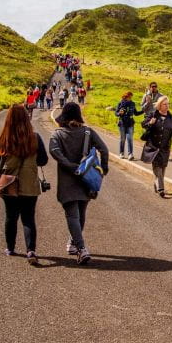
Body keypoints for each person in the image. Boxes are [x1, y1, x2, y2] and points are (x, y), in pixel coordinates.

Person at [49, 102, 109, 264]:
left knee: (72, 215)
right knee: (81, 214)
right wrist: (103, 169)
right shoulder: (88, 132)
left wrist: (70, 166)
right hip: (87, 180)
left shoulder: (57, 135)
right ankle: (73, 244)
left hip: (67, 180)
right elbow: (104, 150)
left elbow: (55, 153)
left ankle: (81, 248)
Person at [0, 104, 49, 265]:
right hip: (29, 183)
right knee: (28, 218)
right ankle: (31, 250)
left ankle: (10, 248)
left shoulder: (2, 139)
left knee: (11, 217)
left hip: (8, 184)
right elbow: (43, 160)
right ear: (26, 118)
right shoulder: (35, 137)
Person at [140, 95, 172, 197]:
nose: (167, 106)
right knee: (157, 167)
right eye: (165, 104)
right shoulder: (153, 115)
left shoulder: (171, 118)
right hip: (153, 146)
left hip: (165, 147)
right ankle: (161, 189)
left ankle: (157, 183)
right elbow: (143, 124)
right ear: (159, 105)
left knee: (163, 168)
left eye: (168, 104)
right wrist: (150, 123)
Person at [115, 90, 142, 160]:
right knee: (123, 139)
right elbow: (116, 113)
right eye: (128, 97)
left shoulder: (132, 104)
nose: (130, 98)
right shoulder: (120, 103)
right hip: (122, 123)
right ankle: (121, 153)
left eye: (130, 97)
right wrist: (119, 113)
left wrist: (143, 111)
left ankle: (130, 154)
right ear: (125, 96)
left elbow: (136, 113)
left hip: (130, 123)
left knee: (130, 139)